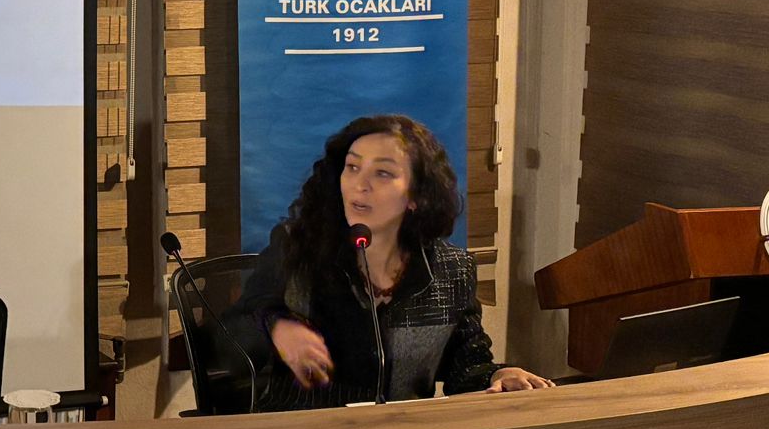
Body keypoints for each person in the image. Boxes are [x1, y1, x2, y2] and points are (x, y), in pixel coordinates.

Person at [235, 114, 553, 409]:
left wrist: (499, 374)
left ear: (417, 196)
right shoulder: (297, 247)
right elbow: (238, 325)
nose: (360, 184)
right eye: (352, 167)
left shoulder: (451, 270)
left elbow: (466, 366)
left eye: (383, 173)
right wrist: (278, 327)